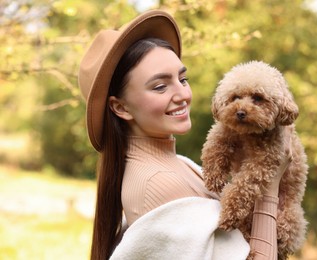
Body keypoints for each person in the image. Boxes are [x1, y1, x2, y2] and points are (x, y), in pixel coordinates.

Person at [79, 10, 291, 260]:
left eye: (183, 78)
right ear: (121, 108)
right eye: (160, 86)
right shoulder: (158, 182)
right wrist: (270, 185)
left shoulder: (176, 164)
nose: (182, 95)